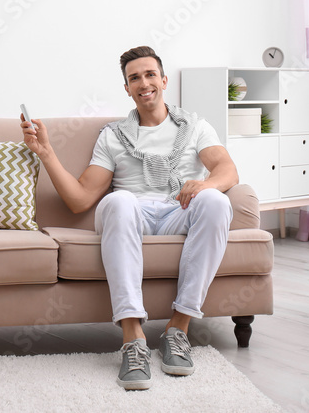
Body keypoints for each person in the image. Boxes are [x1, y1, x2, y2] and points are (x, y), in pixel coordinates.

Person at [20, 46, 238, 390]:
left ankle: (177, 330)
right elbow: (80, 200)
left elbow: (227, 170)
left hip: (176, 211)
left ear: (164, 80)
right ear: (127, 89)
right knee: (119, 200)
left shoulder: (195, 126)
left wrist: (205, 184)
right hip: (129, 213)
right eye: (134, 78)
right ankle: (132, 339)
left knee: (216, 202)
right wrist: (46, 152)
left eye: (150, 74)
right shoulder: (113, 135)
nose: (144, 82)